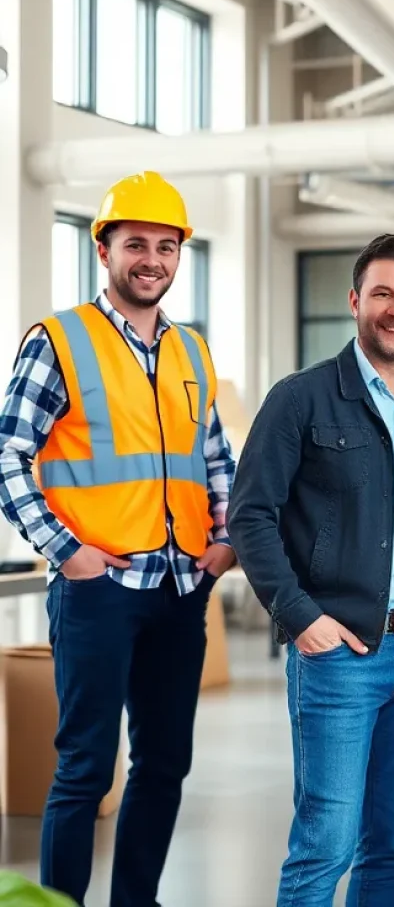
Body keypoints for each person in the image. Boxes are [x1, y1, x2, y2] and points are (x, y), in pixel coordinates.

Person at [0, 171, 237, 907]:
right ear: (104, 249)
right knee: (84, 767)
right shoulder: (59, 340)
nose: (152, 260)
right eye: (136, 243)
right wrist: (65, 551)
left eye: (166, 247)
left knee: (165, 762)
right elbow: (8, 454)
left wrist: (224, 540)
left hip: (178, 590)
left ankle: (136, 900)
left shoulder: (192, 351)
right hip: (98, 591)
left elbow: (216, 456)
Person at [227, 234, 394, 907]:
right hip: (340, 653)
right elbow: (249, 516)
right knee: (325, 841)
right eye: (382, 293)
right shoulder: (301, 398)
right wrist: (300, 616)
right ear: (355, 300)